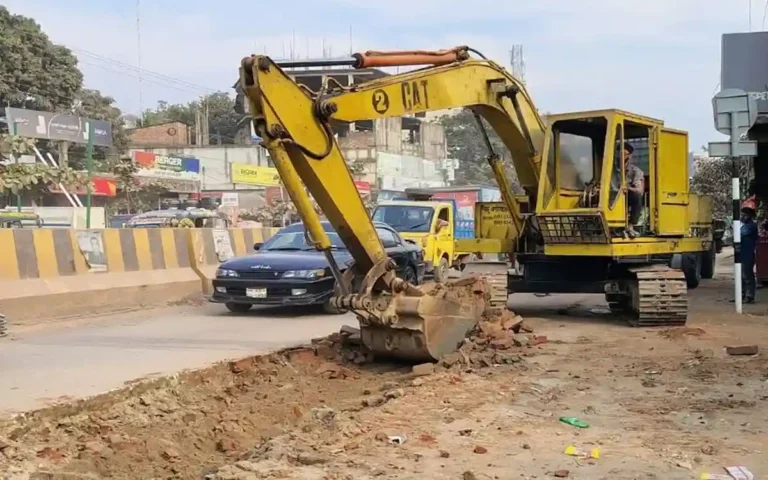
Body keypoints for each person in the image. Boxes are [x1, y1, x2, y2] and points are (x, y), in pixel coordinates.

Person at [623, 142, 645, 238]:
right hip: (610, 195)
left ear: (629, 156)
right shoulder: (611, 169)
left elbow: (639, 190)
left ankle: (630, 226)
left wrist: (627, 187)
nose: (622, 157)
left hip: (626, 196)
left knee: (637, 197)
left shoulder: (636, 171)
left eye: (624, 154)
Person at [740, 197, 758, 304]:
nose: (743, 216)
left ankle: (749, 295)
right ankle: (741, 295)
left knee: (747, 275)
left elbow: (740, 234)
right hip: (742, 254)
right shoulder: (745, 225)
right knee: (740, 275)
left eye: (745, 214)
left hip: (748, 254)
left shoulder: (751, 226)